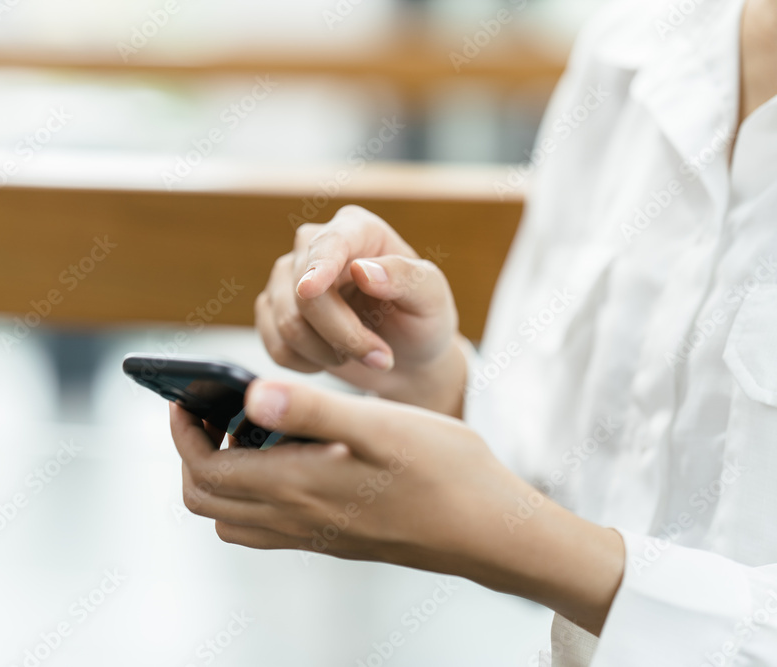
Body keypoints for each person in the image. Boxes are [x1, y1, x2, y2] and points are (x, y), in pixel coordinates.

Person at [169, 0, 777, 663]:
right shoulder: (631, 48)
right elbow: (574, 489)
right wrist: (424, 378)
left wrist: (521, 542)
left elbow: (555, 544)